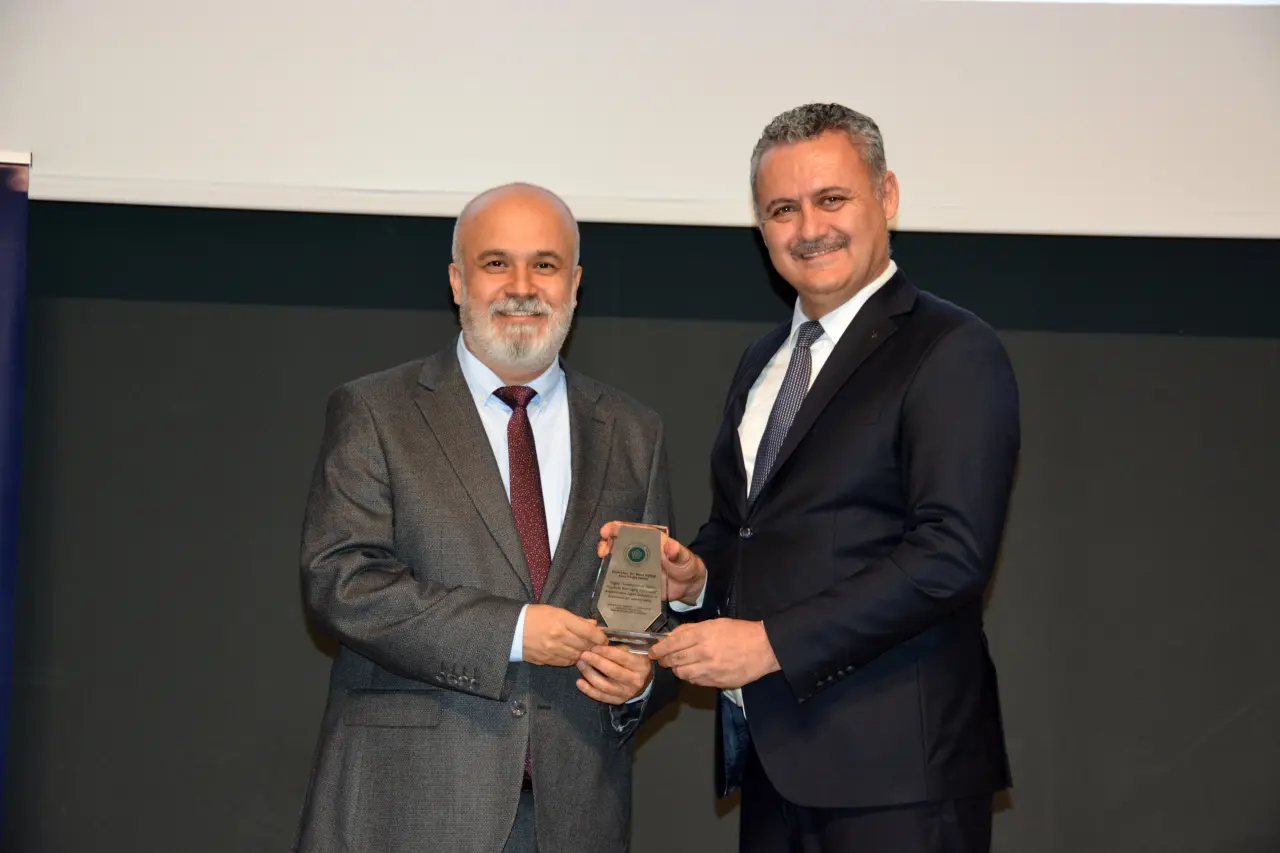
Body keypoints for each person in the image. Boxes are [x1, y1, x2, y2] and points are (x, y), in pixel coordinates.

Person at [601, 103, 1020, 852]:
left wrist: (770, 643)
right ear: (761, 227)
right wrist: (694, 578)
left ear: (886, 196)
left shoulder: (953, 348)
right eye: (782, 209)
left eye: (831, 199)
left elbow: (950, 554)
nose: (808, 228)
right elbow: (744, 531)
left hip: (901, 777)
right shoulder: (762, 361)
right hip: (775, 765)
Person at [294, 182, 677, 853]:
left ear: (575, 284)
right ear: (457, 280)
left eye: (545, 265)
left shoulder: (634, 432)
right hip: (407, 809)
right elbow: (342, 582)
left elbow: (651, 617)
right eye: (496, 263)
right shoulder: (376, 411)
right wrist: (516, 631)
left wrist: (643, 678)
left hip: (574, 818)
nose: (522, 287)